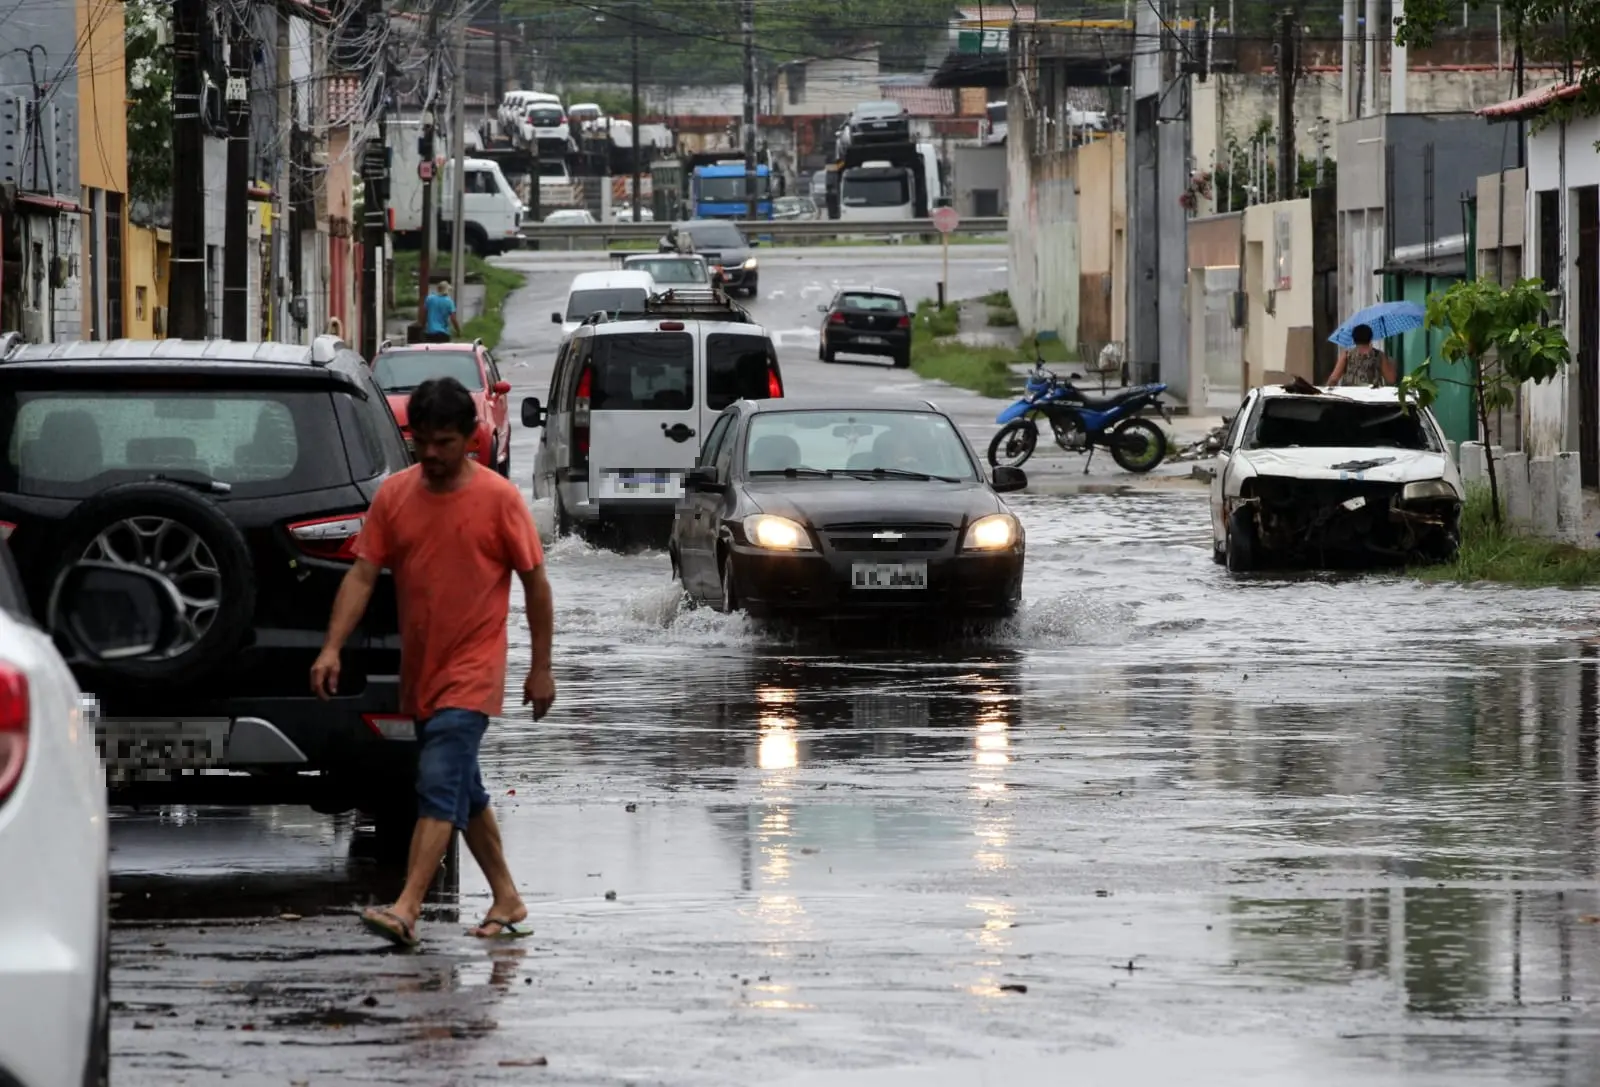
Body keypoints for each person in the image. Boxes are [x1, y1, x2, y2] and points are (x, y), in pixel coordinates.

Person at [310, 376, 556, 948]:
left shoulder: (499, 499)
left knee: (439, 782)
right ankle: (507, 897)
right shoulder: (396, 496)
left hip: (474, 672)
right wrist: (330, 648)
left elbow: (536, 585)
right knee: (463, 790)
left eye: (445, 442)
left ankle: (407, 906)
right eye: (422, 441)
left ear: (471, 437)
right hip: (423, 674)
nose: (433, 454)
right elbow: (363, 574)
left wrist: (541, 666)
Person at [1328, 323, 1396, 387]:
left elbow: (1334, 379)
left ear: (1354, 340)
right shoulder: (1380, 355)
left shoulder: (1347, 355)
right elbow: (1391, 380)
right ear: (1370, 338)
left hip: (1350, 396)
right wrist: (1391, 363)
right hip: (1374, 396)